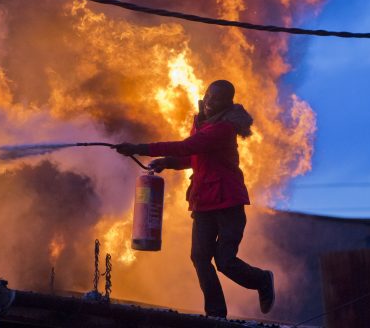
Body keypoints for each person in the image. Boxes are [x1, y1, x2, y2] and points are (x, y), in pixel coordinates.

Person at [115, 79, 274, 318]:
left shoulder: (223, 129)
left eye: (217, 98)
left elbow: (187, 147)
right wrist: (168, 163)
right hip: (203, 202)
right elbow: (194, 157)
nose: (210, 101)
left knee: (225, 260)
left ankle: (261, 280)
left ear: (228, 103)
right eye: (209, 95)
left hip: (228, 201)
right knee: (200, 258)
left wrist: (140, 147)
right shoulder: (201, 123)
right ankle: (216, 314)